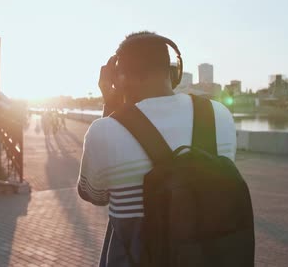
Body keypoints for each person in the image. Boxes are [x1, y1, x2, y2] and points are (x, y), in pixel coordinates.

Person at [77, 31, 238, 266]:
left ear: (118, 77)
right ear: (173, 72)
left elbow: (93, 194)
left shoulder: (104, 131)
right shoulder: (219, 116)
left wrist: (111, 104)